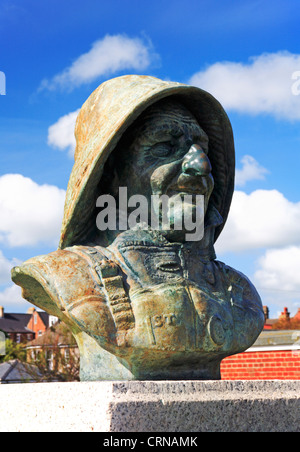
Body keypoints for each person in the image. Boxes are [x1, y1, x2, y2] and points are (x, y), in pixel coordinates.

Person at [12, 75, 264, 380]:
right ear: (108, 174)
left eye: (202, 148)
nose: (201, 165)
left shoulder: (239, 293)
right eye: (165, 147)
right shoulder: (67, 275)